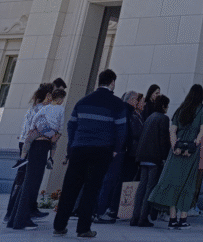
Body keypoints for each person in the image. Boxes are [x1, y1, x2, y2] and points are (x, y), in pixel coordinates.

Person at [52, 69, 127, 240]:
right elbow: (121, 129)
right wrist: (116, 149)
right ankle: (83, 228)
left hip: (79, 148)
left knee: (70, 187)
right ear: (112, 82)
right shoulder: (116, 104)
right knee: (91, 189)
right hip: (102, 149)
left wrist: (72, 146)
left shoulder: (82, 101)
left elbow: (71, 126)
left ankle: (59, 226)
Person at [148, 83, 203, 230]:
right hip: (191, 153)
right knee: (187, 184)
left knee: (173, 183)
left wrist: (175, 146)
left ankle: (172, 219)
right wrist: (194, 145)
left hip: (176, 152)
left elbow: (172, 131)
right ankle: (183, 219)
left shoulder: (180, 109)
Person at [8, 87, 67, 230]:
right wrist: (54, 136)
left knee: (28, 182)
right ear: (60, 99)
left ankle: (15, 219)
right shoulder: (59, 109)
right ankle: (21, 221)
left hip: (34, 143)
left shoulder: (41, 109)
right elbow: (59, 128)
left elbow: (32, 126)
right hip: (42, 145)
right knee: (32, 183)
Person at [5, 85, 52, 225]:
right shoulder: (40, 109)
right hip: (32, 145)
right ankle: (17, 214)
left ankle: (17, 213)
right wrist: (53, 134)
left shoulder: (36, 108)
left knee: (26, 180)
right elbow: (42, 128)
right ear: (47, 95)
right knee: (25, 181)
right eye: (51, 95)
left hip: (28, 144)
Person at [94, 90, 143, 223]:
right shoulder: (125, 111)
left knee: (108, 180)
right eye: (135, 100)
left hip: (113, 149)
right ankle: (100, 212)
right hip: (117, 151)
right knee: (109, 180)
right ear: (131, 99)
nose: (137, 103)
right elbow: (123, 132)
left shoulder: (120, 110)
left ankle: (98, 211)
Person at [130, 94, 170, 227]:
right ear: (164, 106)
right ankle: (143, 217)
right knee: (149, 188)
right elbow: (163, 140)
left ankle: (134, 217)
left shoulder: (149, 118)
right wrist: (164, 157)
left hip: (143, 157)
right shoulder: (163, 119)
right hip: (154, 158)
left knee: (142, 187)